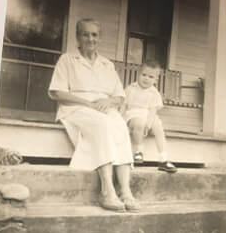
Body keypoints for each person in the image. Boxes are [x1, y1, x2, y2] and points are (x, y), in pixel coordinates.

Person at [48, 18, 140, 211]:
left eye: (94, 35)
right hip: (75, 107)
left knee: (120, 127)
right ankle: (107, 191)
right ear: (77, 37)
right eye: (85, 34)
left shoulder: (107, 64)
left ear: (100, 38)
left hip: (104, 108)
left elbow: (120, 96)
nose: (90, 39)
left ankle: (125, 190)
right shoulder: (68, 60)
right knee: (102, 125)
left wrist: (109, 101)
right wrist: (88, 103)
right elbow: (57, 92)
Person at [124, 61, 177, 173]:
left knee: (158, 127)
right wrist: (121, 120)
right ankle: (138, 151)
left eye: (151, 77)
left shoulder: (154, 93)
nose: (146, 79)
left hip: (148, 114)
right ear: (139, 74)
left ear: (156, 80)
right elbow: (124, 106)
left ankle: (163, 158)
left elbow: (153, 111)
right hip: (134, 113)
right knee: (139, 123)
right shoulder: (131, 88)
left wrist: (149, 124)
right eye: (144, 75)